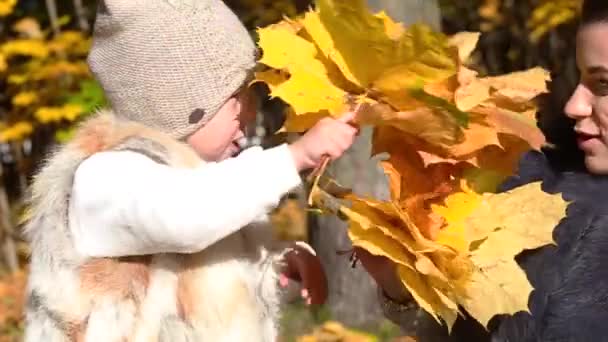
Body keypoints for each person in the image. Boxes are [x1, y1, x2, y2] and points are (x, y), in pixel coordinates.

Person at [22, 0, 358, 341]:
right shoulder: (106, 178)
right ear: (184, 109)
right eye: (237, 100)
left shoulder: (208, 182)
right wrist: (293, 157)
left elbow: (219, 257)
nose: (250, 115)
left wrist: (277, 261)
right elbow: (186, 218)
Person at [358, 0, 608, 340]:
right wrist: (402, 286)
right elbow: (470, 330)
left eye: (603, 84)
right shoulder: (534, 186)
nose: (574, 105)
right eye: (579, 76)